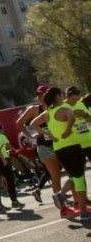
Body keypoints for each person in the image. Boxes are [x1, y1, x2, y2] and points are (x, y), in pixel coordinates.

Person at [31, 87, 90, 221]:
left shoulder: (47, 113)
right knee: (79, 178)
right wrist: (68, 129)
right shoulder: (64, 108)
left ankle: (62, 195)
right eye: (62, 94)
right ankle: (83, 211)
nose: (64, 96)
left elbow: (33, 124)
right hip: (73, 146)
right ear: (57, 96)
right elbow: (72, 118)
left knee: (75, 177)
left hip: (59, 149)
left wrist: (48, 134)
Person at [17, 85, 71, 216]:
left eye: (43, 94)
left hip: (61, 143)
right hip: (45, 146)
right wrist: (31, 136)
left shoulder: (56, 106)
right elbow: (20, 123)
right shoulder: (34, 109)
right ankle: (62, 206)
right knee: (55, 175)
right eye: (39, 95)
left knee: (72, 173)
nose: (41, 97)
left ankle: (75, 200)